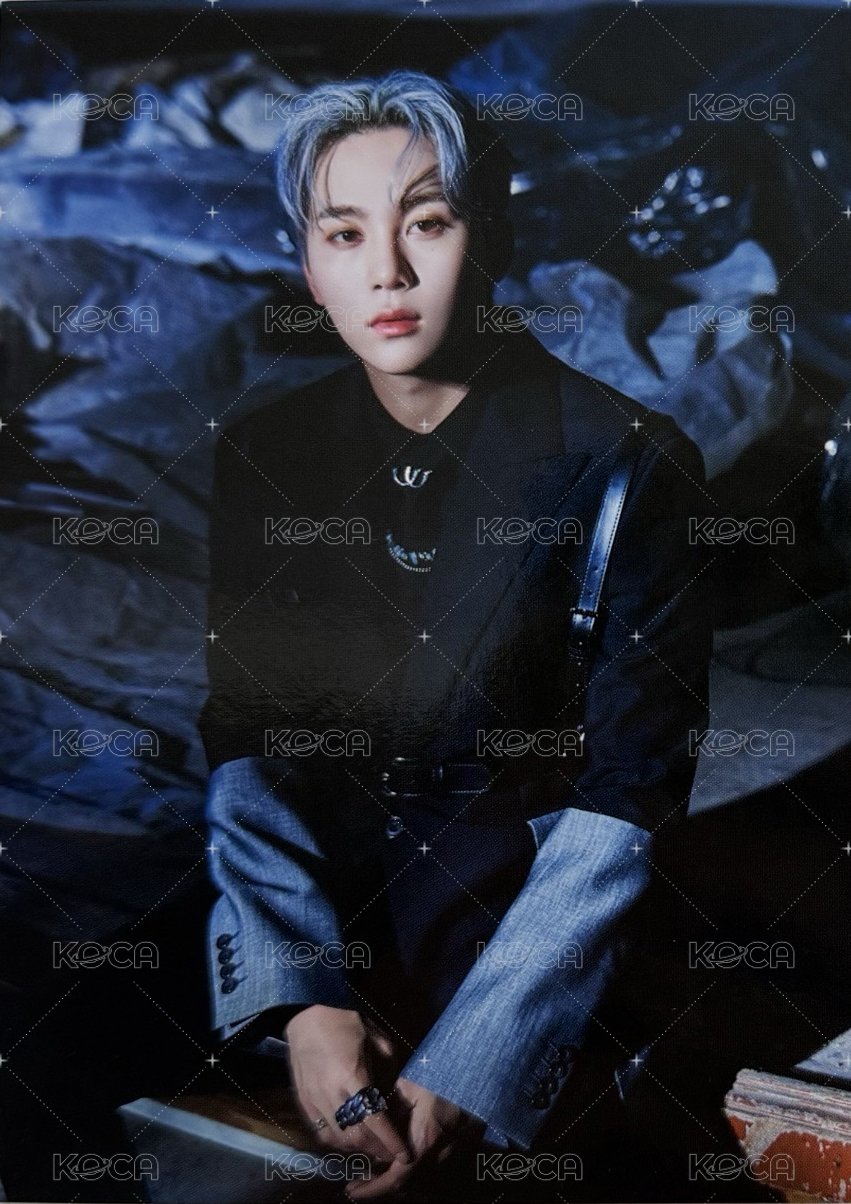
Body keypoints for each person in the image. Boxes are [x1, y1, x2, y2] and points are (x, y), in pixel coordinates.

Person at [199, 68, 714, 1202]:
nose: (385, 271)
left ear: (495, 237)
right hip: (333, 937)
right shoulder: (267, 453)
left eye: (426, 222)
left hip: (529, 960)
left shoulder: (629, 461)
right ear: (307, 266)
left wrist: (479, 1062)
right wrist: (301, 998)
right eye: (344, 233)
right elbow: (247, 733)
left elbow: (631, 792)